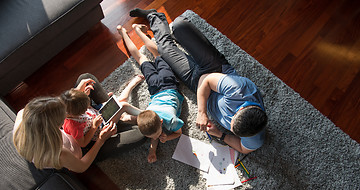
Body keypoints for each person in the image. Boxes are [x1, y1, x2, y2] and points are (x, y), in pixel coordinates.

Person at [129, 9, 267, 154]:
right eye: (231, 124)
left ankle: (154, 16)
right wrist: (202, 112)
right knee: (179, 25)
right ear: (240, 108)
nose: (229, 124)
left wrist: (221, 134)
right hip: (214, 69)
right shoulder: (239, 89)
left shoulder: (255, 135)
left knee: (164, 50)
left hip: (196, 83)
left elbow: (242, 148)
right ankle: (170, 27)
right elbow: (206, 80)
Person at [13, 75, 145, 172]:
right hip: (86, 147)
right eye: (63, 115)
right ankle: (121, 117)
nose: (65, 113)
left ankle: (119, 115)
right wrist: (100, 140)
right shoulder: (58, 153)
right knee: (141, 133)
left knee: (86, 78)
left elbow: (57, 107)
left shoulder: (24, 114)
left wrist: (75, 93)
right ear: (54, 127)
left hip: (86, 124)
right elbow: (81, 167)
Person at [117, 24, 184, 163]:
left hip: (169, 85)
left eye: (158, 134)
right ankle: (131, 31)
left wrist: (168, 137)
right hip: (156, 88)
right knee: (147, 57)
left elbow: (179, 133)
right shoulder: (145, 114)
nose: (156, 137)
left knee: (153, 56)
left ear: (161, 122)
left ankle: (130, 32)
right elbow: (154, 135)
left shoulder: (172, 121)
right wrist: (153, 148)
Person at [60, 75, 144, 148]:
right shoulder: (73, 126)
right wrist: (94, 126)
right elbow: (83, 143)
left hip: (97, 114)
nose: (88, 107)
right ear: (78, 113)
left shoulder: (68, 107)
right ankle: (146, 115)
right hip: (99, 127)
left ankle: (128, 117)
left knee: (119, 103)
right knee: (123, 105)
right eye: (86, 108)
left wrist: (84, 94)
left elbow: (88, 107)